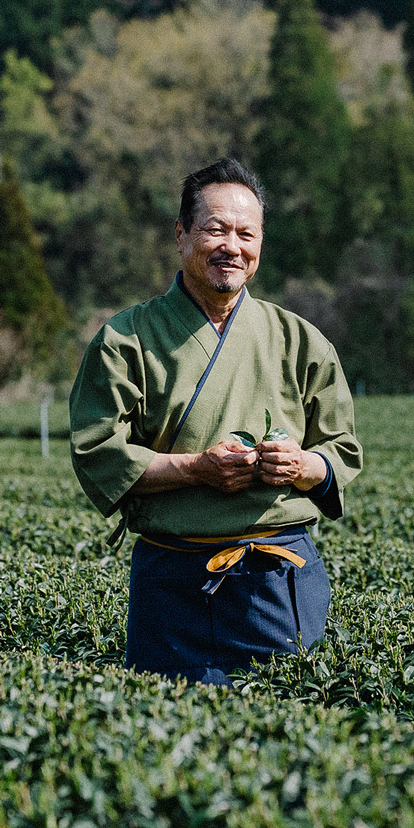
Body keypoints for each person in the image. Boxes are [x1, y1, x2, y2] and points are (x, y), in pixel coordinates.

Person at [70, 157, 362, 686]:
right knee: (169, 743)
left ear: (260, 245)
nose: (232, 245)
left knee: (284, 744)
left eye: (246, 233)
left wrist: (301, 464)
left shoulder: (300, 339)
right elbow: (98, 451)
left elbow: (341, 453)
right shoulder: (125, 339)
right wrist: (195, 469)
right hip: (171, 583)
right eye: (215, 229)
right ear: (181, 237)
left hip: (275, 580)